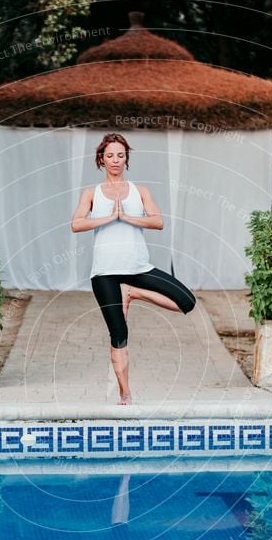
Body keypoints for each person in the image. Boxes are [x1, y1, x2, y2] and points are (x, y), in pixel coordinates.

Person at [71, 132, 196, 405]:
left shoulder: (140, 191)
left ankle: (134, 293)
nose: (115, 160)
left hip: (138, 267)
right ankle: (125, 393)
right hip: (104, 273)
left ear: (126, 158)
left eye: (120, 155)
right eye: (110, 155)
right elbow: (76, 224)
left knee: (186, 302)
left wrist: (126, 217)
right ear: (101, 160)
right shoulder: (91, 193)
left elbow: (158, 221)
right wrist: (108, 217)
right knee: (119, 335)